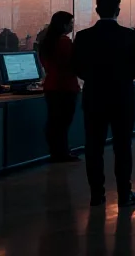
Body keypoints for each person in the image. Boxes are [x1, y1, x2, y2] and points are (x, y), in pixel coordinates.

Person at [72, 0, 135, 208]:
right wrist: (122, 79)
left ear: (97, 10)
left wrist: (93, 78)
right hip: (122, 96)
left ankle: (97, 195)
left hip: (94, 95)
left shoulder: (83, 36)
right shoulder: (128, 35)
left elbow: (76, 65)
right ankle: (124, 194)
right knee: (123, 146)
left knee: (94, 147)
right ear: (118, 11)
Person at [39, 11, 79, 163]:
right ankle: (62, 151)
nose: (72, 26)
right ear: (63, 25)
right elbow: (72, 63)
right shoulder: (65, 42)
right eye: (70, 23)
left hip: (51, 85)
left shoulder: (46, 42)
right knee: (63, 122)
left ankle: (56, 151)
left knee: (54, 121)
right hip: (66, 86)